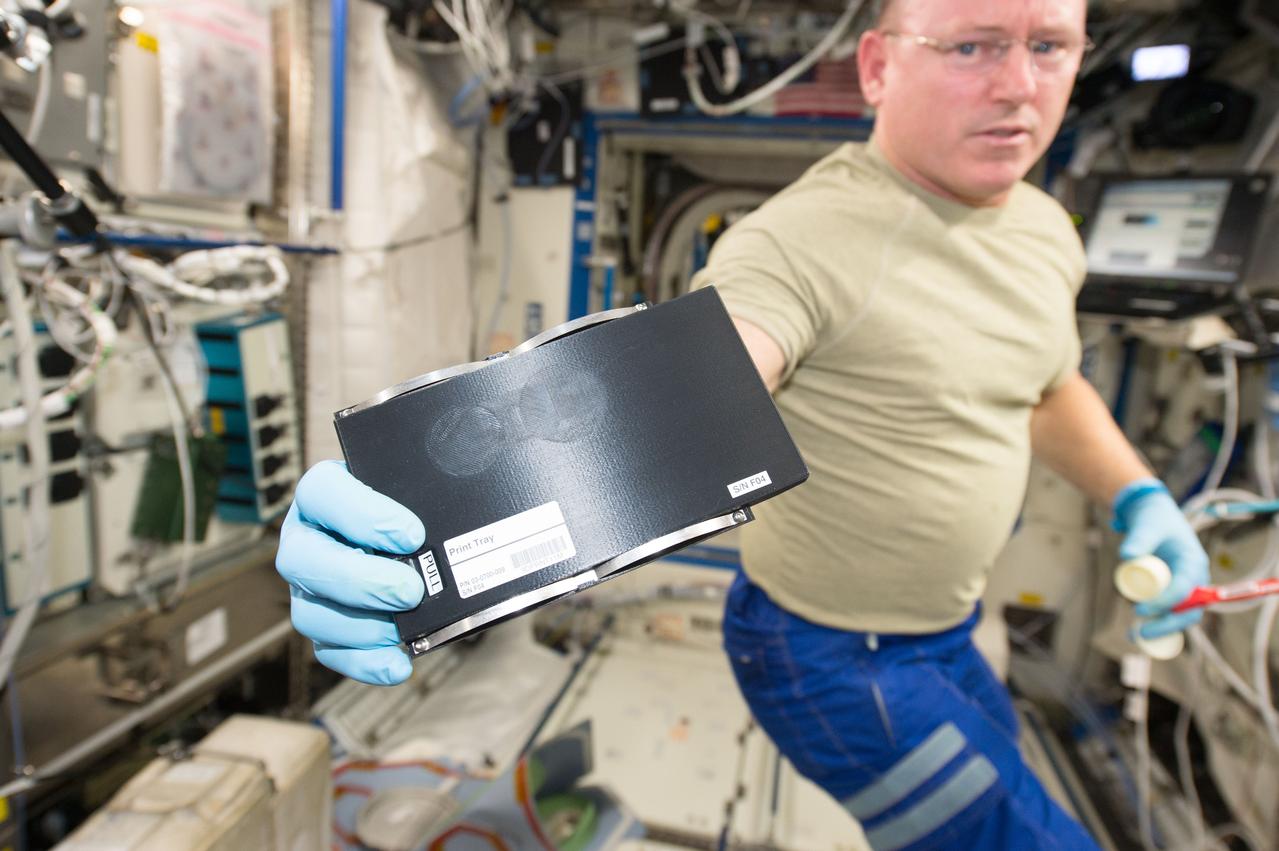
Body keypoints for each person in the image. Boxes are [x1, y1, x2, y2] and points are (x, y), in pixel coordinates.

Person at [274, 0, 1210, 847]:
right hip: (828, 656)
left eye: (1049, 46)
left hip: (946, 632)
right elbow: (672, 403)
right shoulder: (803, 241)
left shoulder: (1044, 226)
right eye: (971, 45)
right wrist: (418, 529)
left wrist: (1137, 494)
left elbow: (1045, 383)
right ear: (879, 65)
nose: (1017, 84)